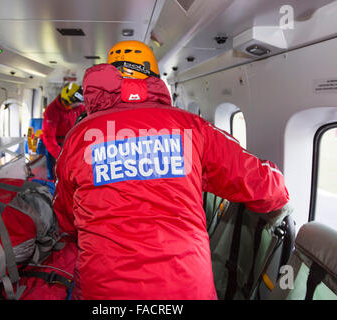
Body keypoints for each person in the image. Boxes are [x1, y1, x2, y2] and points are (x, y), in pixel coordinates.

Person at [53, 40, 289, 300]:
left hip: (105, 291)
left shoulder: (79, 137)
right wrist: (279, 189)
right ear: (153, 76)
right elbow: (260, 183)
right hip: (184, 288)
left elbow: (65, 219)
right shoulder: (190, 126)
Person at [41, 82, 86, 180]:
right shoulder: (51, 111)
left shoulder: (79, 107)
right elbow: (49, 138)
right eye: (74, 104)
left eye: (78, 104)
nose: (76, 106)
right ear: (66, 101)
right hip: (57, 144)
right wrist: (60, 156)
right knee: (58, 172)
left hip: (71, 141)